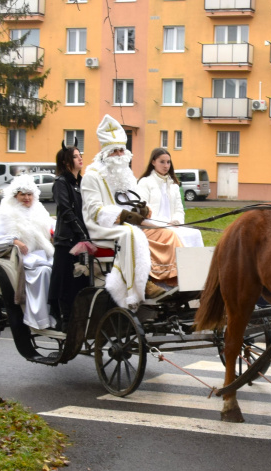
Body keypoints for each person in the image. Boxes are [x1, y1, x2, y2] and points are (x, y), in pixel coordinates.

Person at [81, 114, 180, 309]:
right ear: (105, 153)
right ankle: (138, 287)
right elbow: (96, 211)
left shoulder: (126, 175)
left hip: (127, 223)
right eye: (114, 151)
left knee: (166, 231)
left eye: (121, 150)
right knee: (133, 234)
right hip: (103, 227)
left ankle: (168, 279)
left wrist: (144, 210)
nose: (119, 155)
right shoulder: (91, 177)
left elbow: (136, 201)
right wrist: (125, 216)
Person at [0, 175, 56, 330]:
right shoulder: (7, 214)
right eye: (22, 194)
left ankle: (59, 314)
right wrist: (14, 241)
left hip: (44, 254)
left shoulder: (39, 210)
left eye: (29, 194)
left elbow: (52, 226)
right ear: (15, 196)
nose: (26, 198)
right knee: (44, 271)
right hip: (25, 258)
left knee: (62, 269)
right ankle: (40, 318)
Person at [48, 140, 93, 329]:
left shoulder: (82, 183)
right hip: (67, 241)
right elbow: (66, 211)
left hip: (81, 239)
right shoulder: (61, 182)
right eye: (75, 156)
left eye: (80, 154)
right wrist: (81, 233)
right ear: (66, 162)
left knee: (80, 280)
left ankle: (79, 318)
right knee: (65, 281)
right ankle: (64, 319)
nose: (80, 158)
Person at [135, 148, 204, 248]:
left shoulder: (173, 185)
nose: (166, 166)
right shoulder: (145, 182)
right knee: (174, 236)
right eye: (162, 162)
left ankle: (193, 263)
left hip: (173, 226)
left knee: (195, 233)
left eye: (168, 162)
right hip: (153, 226)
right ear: (153, 162)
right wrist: (164, 223)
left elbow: (179, 209)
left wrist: (177, 220)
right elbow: (145, 210)